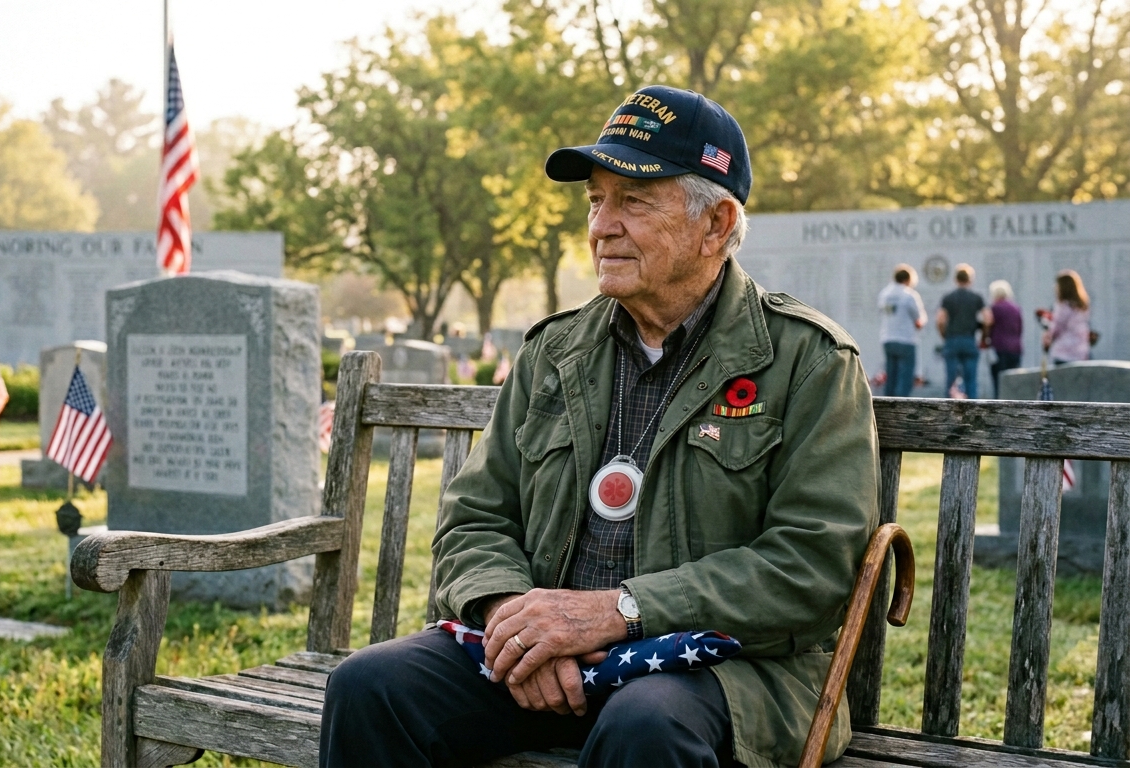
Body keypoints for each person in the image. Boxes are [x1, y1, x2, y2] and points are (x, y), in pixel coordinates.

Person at [321, 85, 877, 768]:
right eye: (595, 201)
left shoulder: (808, 361)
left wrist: (618, 612)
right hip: (549, 659)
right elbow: (473, 519)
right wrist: (518, 623)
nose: (601, 226)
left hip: (720, 671)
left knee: (645, 724)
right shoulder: (554, 352)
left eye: (634, 201)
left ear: (716, 223)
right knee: (369, 687)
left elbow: (811, 564)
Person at [935, 263, 989, 399]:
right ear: (970, 280)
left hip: (952, 340)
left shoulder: (948, 298)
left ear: (956, 279)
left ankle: (948, 408)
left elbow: (940, 320)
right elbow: (988, 319)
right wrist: (984, 337)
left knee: (951, 381)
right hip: (969, 339)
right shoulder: (976, 297)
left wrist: (945, 336)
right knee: (971, 380)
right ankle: (972, 408)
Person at [877, 264, 926, 396]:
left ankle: (888, 404)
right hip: (906, 340)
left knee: (891, 378)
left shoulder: (884, 294)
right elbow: (919, 321)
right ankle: (902, 404)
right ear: (908, 279)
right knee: (905, 379)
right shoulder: (909, 295)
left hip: (888, 339)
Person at [1043, 270, 1091, 365]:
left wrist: (1048, 333)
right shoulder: (1082, 306)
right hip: (1081, 352)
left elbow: (1056, 329)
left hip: (1064, 353)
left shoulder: (1063, 307)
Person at [985, 280, 1022, 397]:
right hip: (1015, 349)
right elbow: (1020, 328)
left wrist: (985, 339)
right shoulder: (1016, 308)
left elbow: (988, 325)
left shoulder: (994, 308)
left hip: (999, 349)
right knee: (1013, 382)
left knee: (999, 382)